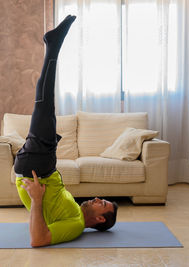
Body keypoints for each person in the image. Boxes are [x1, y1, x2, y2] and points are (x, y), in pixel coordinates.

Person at [14, 15, 118, 247]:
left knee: (44, 102)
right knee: (44, 104)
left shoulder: (75, 224)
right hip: (40, 165)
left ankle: (53, 44)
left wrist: (37, 200)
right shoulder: (76, 213)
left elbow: (38, 240)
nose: (97, 198)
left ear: (100, 218)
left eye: (102, 203)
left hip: (37, 167)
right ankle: (53, 44)